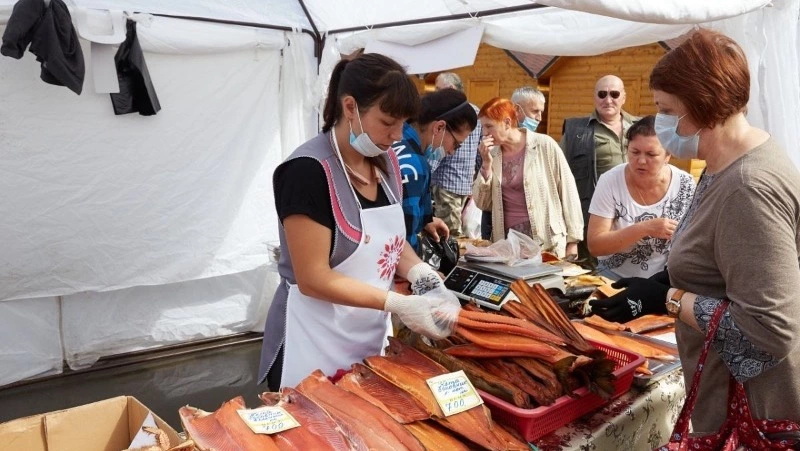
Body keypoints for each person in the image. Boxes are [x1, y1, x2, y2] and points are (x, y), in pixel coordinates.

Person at [590, 29, 800, 434]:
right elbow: (722, 259)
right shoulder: (722, 166)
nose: (661, 121)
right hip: (722, 397)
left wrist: (669, 298)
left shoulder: (748, 187)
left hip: (753, 415)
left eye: (666, 109)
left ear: (702, 106)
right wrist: (660, 282)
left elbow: (768, 332)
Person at [259, 53, 461, 390]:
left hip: (369, 341)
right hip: (312, 343)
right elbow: (313, 277)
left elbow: (390, 246)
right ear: (350, 107)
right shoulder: (307, 171)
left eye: (403, 123)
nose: (397, 134)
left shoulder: (386, 166)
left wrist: (421, 275)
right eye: (387, 121)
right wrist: (396, 302)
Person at [587, 115, 696, 279]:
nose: (641, 161)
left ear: (668, 155)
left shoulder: (685, 184)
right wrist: (646, 228)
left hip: (663, 279)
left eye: (651, 154)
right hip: (613, 277)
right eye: (635, 152)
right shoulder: (610, 181)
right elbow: (595, 245)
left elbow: (693, 239)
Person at [473, 97, 583, 258]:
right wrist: (486, 165)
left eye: (489, 126)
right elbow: (483, 203)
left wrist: (573, 242)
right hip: (508, 245)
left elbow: (568, 191)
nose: (485, 133)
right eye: (483, 127)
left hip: (547, 242)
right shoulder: (493, 154)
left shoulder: (544, 145)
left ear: (507, 123)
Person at [560, 76, 639, 261]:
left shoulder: (640, 127)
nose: (608, 100)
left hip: (633, 214)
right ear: (595, 97)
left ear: (624, 97)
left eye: (614, 94)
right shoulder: (576, 131)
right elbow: (559, 174)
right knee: (590, 275)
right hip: (594, 216)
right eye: (602, 94)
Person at [393, 88, 478, 252]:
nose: (453, 151)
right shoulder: (414, 163)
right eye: (456, 144)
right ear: (439, 127)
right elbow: (405, 238)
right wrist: (421, 271)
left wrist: (426, 221)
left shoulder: (396, 138)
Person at [431, 72, 482, 237]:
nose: (436, 93)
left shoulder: (447, 114)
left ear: (451, 89)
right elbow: (480, 152)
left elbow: (436, 151)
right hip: (465, 184)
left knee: (449, 235)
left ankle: (449, 262)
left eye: (438, 89)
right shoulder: (475, 112)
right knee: (458, 234)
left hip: (446, 182)